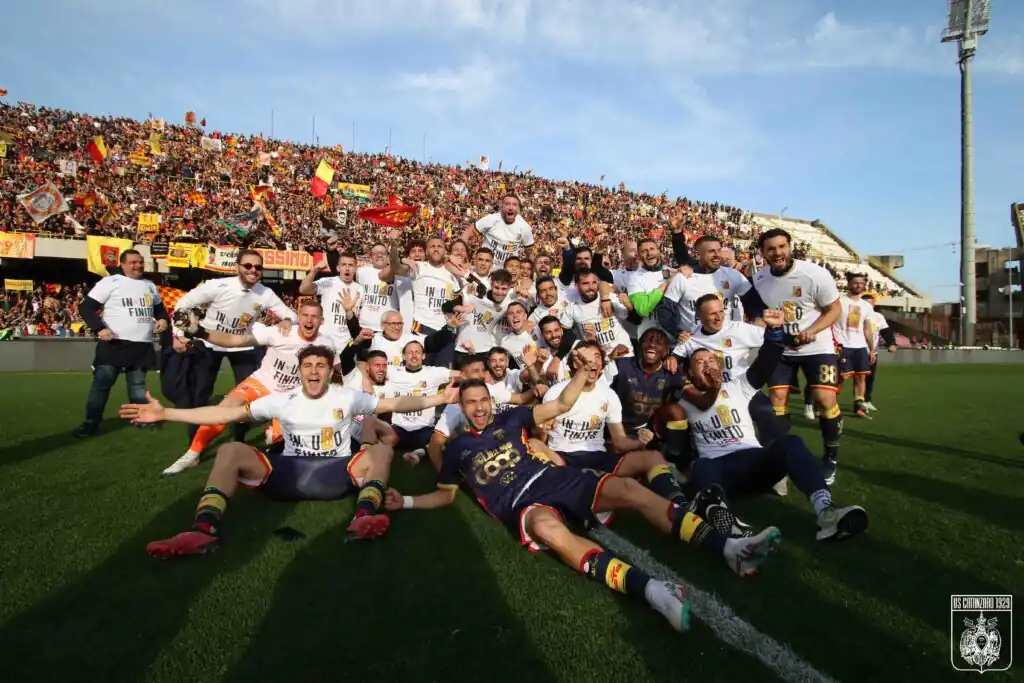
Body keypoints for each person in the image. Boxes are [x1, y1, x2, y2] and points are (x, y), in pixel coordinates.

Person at [384, 349, 781, 633]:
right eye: (470, 403)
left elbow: (560, 405)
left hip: (556, 479)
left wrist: (583, 371)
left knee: (630, 489)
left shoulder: (513, 418)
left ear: (491, 401)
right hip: (521, 504)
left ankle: (729, 549)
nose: (478, 408)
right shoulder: (457, 449)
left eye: (483, 400)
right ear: (462, 407)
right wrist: (406, 501)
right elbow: (446, 494)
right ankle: (653, 592)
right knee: (548, 530)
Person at [120, 345, 459, 559]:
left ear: (330, 371)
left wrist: (439, 398)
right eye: (308, 365)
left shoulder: (346, 396)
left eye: (321, 365)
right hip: (287, 472)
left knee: (382, 452)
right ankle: (202, 530)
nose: (314, 371)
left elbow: (393, 403)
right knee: (232, 450)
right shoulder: (282, 400)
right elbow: (225, 414)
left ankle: (363, 517)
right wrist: (167, 413)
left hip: (336, 473)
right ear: (300, 370)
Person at [679, 309, 868, 541]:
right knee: (701, 465)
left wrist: (775, 331)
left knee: (791, 442)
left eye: (711, 360)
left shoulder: (736, 387)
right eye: (699, 362)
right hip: (720, 471)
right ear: (689, 373)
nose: (708, 365)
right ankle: (724, 522)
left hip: (755, 462)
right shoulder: (682, 400)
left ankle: (826, 512)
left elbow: (766, 362)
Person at [160, 300, 336, 475]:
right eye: (305, 315)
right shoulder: (280, 332)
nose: (309, 320)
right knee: (225, 407)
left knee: (282, 444)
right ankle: (192, 454)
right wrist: (200, 332)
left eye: (314, 316)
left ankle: (272, 438)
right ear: (299, 316)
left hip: (289, 397)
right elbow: (234, 340)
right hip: (261, 384)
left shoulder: (326, 344)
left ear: (322, 321)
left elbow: (334, 373)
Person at [171, 250, 298, 445]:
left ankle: (239, 439)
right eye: (248, 265)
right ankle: (195, 445)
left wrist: (287, 319)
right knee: (200, 395)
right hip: (208, 344)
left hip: (241, 346)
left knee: (248, 398)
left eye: (258, 267)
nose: (253, 270)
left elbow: (291, 315)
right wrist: (178, 334)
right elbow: (183, 304)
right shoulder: (217, 285)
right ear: (237, 267)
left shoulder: (265, 293)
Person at [542, 341, 687, 507]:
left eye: (597, 357)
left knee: (653, 457)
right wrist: (543, 429)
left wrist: (639, 442)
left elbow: (620, 440)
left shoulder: (608, 394)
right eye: (587, 356)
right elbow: (541, 440)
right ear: (576, 362)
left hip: (597, 455)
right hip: (562, 456)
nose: (593, 361)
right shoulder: (555, 392)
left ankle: (681, 504)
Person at [752, 228, 843, 484]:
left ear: (790, 247)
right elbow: (761, 315)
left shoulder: (814, 274)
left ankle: (831, 458)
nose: (777, 253)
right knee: (777, 401)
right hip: (782, 349)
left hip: (817, 347)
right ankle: (781, 458)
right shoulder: (759, 279)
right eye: (771, 249)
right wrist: (762, 324)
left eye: (782, 246)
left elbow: (835, 309)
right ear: (763, 253)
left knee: (825, 400)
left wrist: (812, 331)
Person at [74, 249, 170, 437]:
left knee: (138, 387)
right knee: (102, 385)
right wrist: (99, 328)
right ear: (123, 264)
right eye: (133, 262)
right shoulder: (110, 282)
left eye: (140, 262)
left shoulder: (150, 285)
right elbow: (85, 307)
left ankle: (141, 419)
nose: (138, 265)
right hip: (114, 344)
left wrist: (163, 319)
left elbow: (159, 310)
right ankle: (91, 423)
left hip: (142, 344)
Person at [833, 273, 876, 419]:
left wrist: (872, 349)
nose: (859, 285)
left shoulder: (866, 306)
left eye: (861, 283)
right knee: (839, 378)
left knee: (861, 377)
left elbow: (867, 329)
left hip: (860, 346)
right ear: (849, 284)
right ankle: (829, 404)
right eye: (856, 282)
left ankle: (859, 407)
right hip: (842, 344)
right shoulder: (839, 301)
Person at [861, 292, 896, 412]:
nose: (868, 306)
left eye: (871, 304)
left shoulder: (878, 317)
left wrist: (891, 343)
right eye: (866, 304)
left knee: (869, 379)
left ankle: (866, 401)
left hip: (871, 352)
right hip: (856, 350)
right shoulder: (857, 315)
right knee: (850, 378)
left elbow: (886, 331)